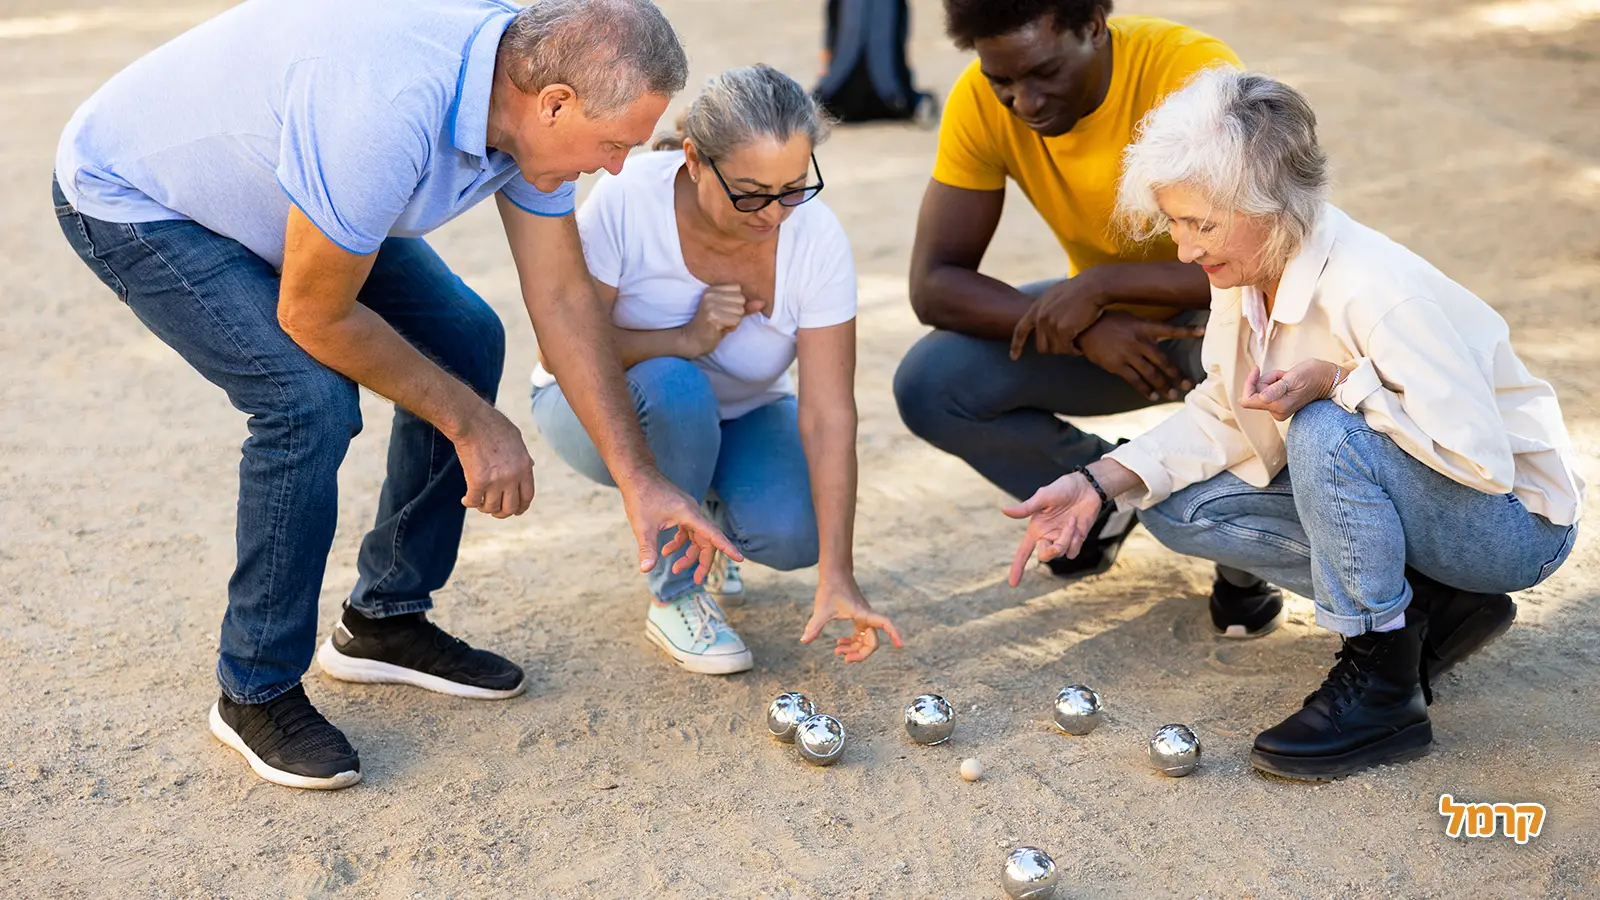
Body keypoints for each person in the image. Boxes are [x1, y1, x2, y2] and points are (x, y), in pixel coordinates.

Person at [52, 0, 740, 791]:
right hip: (142, 197)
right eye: (614, 144)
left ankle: (383, 621)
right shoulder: (386, 109)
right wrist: (473, 422)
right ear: (553, 103)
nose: (618, 167)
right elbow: (313, 312)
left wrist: (641, 480)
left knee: (467, 337)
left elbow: (563, 299)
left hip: (287, 184)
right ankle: (255, 688)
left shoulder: (533, 100)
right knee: (305, 402)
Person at [1005, 68, 1584, 780]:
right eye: (1177, 223)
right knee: (1175, 504)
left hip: (1512, 527)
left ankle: (1382, 688)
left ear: (1271, 205)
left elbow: (1480, 462)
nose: (1184, 250)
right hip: (1429, 497)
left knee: (1323, 431)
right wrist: (1097, 483)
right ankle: (1436, 607)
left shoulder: (1376, 289)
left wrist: (1340, 382)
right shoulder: (1246, 275)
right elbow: (1224, 415)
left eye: (1201, 224)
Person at [892, 0, 1285, 638]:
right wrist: (1086, 325)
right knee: (933, 383)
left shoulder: (1193, 76)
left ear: (1092, 28)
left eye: (1044, 73)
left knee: (1268, 384)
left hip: (1231, 314)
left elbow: (1264, 252)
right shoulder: (979, 102)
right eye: (1004, 82)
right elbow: (934, 284)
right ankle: (1101, 500)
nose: (1024, 101)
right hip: (1109, 327)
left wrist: (1103, 287)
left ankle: (1243, 559)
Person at [531, 65, 902, 675]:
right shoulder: (630, 199)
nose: (774, 214)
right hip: (594, 406)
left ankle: (705, 515)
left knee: (797, 533)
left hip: (742, 413)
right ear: (696, 160)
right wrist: (686, 336)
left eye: (793, 188)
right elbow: (560, 350)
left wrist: (839, 574)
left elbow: (829, 412)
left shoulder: (816, 237)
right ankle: (676, 596)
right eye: (752, 192)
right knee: (678, 383)